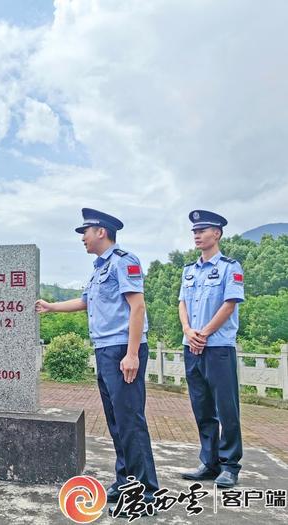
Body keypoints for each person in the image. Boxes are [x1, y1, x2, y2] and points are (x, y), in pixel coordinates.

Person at [35, 209, 159, 514]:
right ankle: (125, 480)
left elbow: (138, 307)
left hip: (122, 350)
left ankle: (145, 492)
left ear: (101, 231)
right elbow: (85, 301)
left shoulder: (124, 261)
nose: (82, 237)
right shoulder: (98, 268)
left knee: (130, 420)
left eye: (85, 231)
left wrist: (131, 354)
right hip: (105, 349)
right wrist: (51, 307)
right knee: (116, 421)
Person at [179, 210, 244, 488]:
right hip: (191, 346)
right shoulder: (188, 270)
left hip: (217, 347)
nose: (196, 234)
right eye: (194, 230)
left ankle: (230, 466)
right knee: (202, 407)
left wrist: (203, 333)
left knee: (226, 408)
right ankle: (209, 462)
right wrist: (187, 331)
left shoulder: (231, 267)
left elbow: (229, 305)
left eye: (202, 230)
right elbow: (182, 303)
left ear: (216, 233)